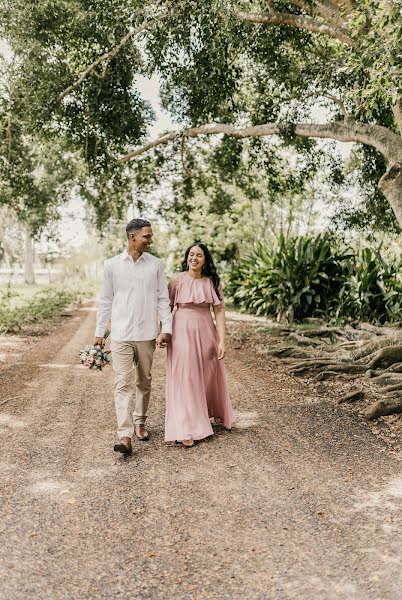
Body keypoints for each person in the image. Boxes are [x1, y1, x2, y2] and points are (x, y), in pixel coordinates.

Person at [94, 218, 172, 456]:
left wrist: (165, 328)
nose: (151, 240)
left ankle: (140, 421)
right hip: (120, 335)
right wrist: (99, 332)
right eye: (147, 236)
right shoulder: (112, 265)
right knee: (121, 384)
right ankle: (124, 435)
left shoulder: (156, 265)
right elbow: (105, 300)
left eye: (150, 236)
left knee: (144, 381)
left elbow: (162, 299)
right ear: (132, 237)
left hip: (147, 334)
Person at [165, 243, 234, 447]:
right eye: (191, 254)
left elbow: (219, 311)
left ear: (205, 260)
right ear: (187, 258)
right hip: (180, 332)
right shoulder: (176, 281)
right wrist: (163, 332)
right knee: (185, 377)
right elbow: (166, 308)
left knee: (205, 375)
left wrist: (222, 340)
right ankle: (186, 427)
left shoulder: (212, 282)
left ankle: (207, 415)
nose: (194, 258)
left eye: (199, 255)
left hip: (205, 330)